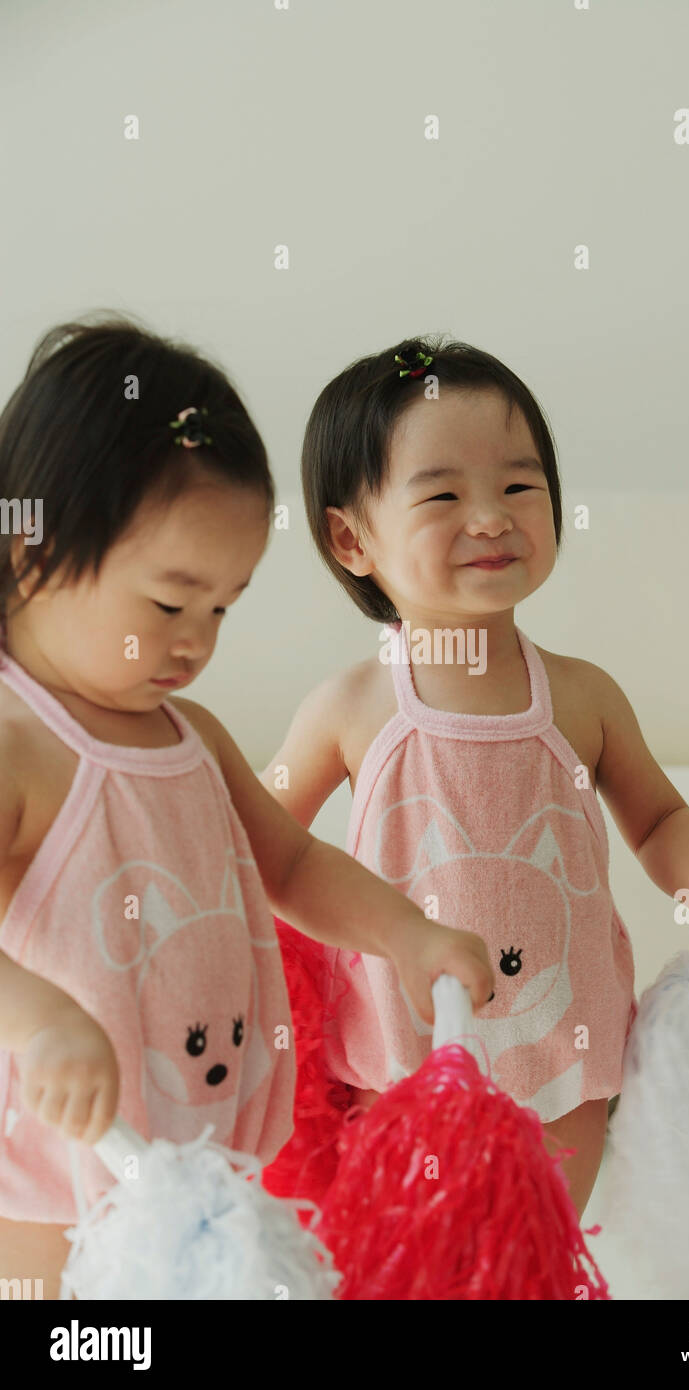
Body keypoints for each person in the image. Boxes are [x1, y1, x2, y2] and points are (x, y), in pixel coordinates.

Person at [0, 317, 493, 1299]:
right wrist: (38, 1016)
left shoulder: (193, 735)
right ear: (32, 552)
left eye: (222, 607)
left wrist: (406, 933)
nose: (195, 642)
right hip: (52, 1160)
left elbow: (293, 867)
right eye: (171, 602)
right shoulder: (19, 744)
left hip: (203, 1131)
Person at [260, 336, 689, 1219]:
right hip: (402, 1068)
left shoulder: (580, 694)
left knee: (534, 1259)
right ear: (352, 538)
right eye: (445, 493)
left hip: (566, 1067)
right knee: (412, 1267)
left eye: (519, 487)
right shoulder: (348, 708)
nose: (491, 517)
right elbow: (263, 851)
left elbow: (658, 820)